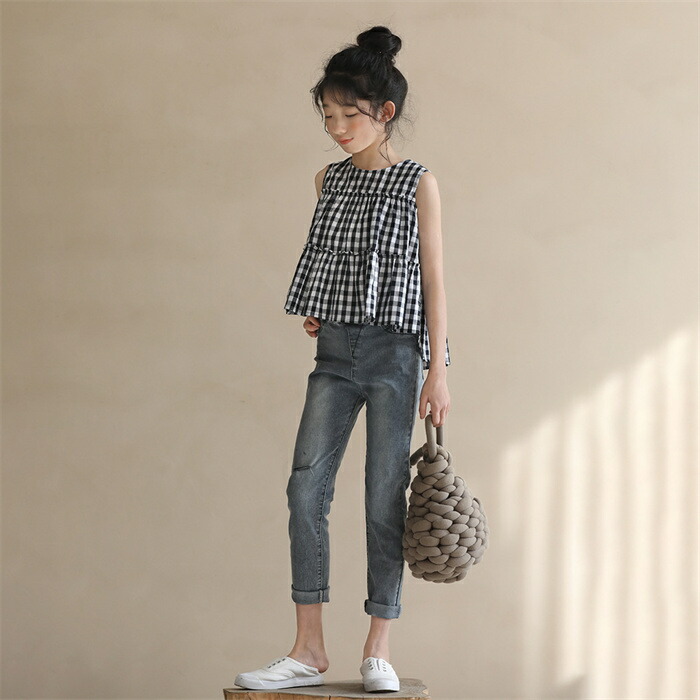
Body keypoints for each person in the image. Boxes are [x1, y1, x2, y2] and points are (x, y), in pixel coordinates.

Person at [234, 25, 451, 693]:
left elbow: (433, 280)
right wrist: (319, 305)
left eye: (347, 116)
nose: (335, 129)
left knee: (383, 498)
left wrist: (439, 370)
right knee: (306, 489)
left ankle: (378, 646)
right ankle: (308, 648)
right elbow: (332, 255)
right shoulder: (327, 179)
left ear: (384, 112)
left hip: (396, 354)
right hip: (334, 350)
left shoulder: (417, 183)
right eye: (327, 117)